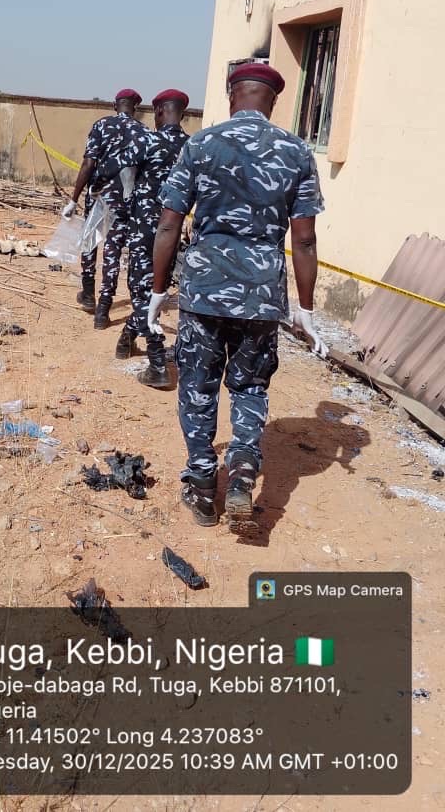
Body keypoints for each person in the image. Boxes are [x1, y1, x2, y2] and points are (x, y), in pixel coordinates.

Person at [148, 62, 327, 534]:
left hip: (204, 290)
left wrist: (157, 291)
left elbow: (168, 225)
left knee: (198, 385)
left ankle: (203, 485)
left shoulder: (201, 144)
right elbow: (304, 240)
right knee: (249, 386)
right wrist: (306, 310)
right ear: (274, 101)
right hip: (262, 295)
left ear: (232, 96)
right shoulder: (297, 151)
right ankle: (244, 473)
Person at [93, 89, 190, 386]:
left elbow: (110, 166)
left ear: (159, 111)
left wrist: (98, 186)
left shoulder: (148, 140)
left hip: (145, 231)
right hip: (173, 233)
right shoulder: (192, 147)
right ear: (183, 114)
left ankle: (157, 363)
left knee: (141, 292)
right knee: (157, 289)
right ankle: (127, 336)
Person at [62, 89, 147, 328]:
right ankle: (103, 310)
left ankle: (88, 293)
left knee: (90, 242)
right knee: (113, 251)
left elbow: (88, 163)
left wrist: (73, 199)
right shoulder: (144, 133)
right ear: (136, 108)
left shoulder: (101, 125)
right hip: (125, 201)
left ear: (115, 105)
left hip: (98, 197)